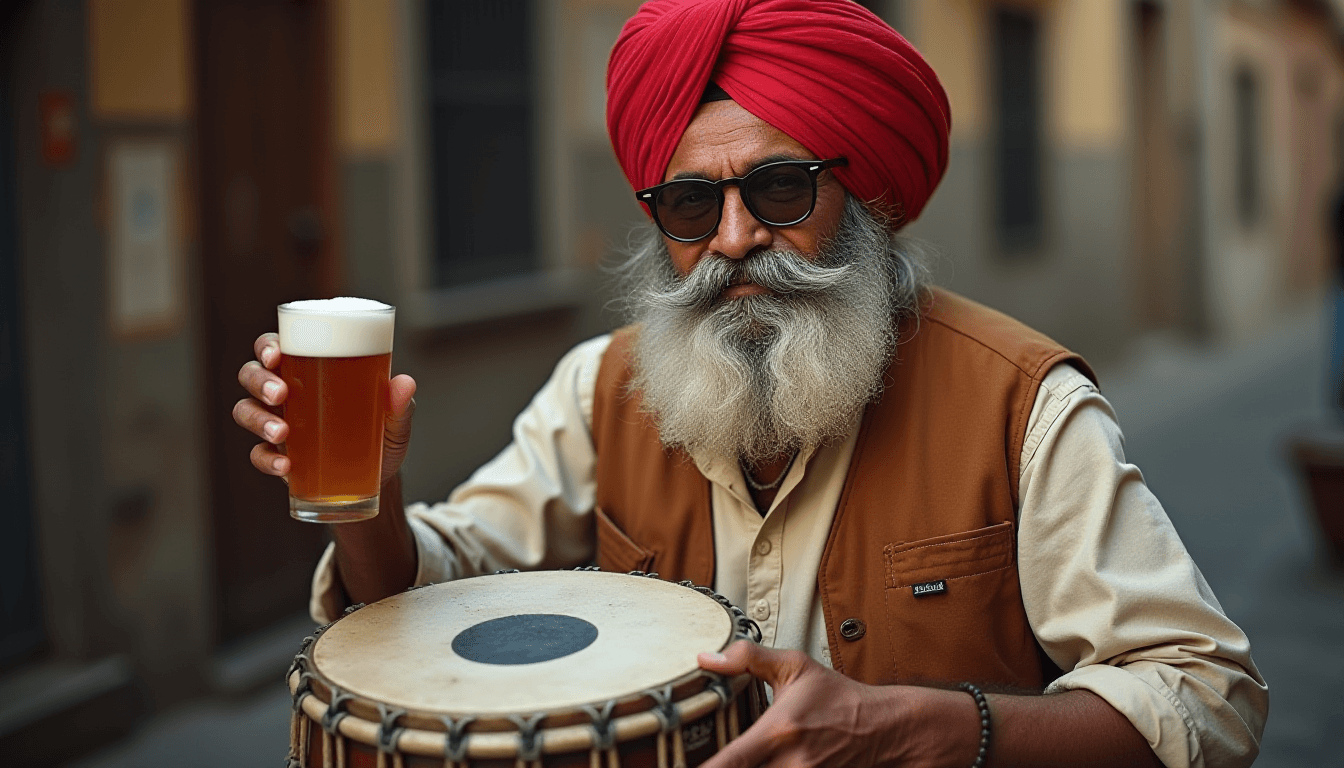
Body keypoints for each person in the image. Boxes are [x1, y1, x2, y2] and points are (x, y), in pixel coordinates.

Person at [233, 1, 1266, 766]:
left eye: (779, 187)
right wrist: (361, 508)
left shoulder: (1023, 405)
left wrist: (934, 726)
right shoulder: (605, 389)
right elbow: (429, 600)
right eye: (690, 205)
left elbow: (1207, 696)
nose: (734, 239)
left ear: (862, 197)